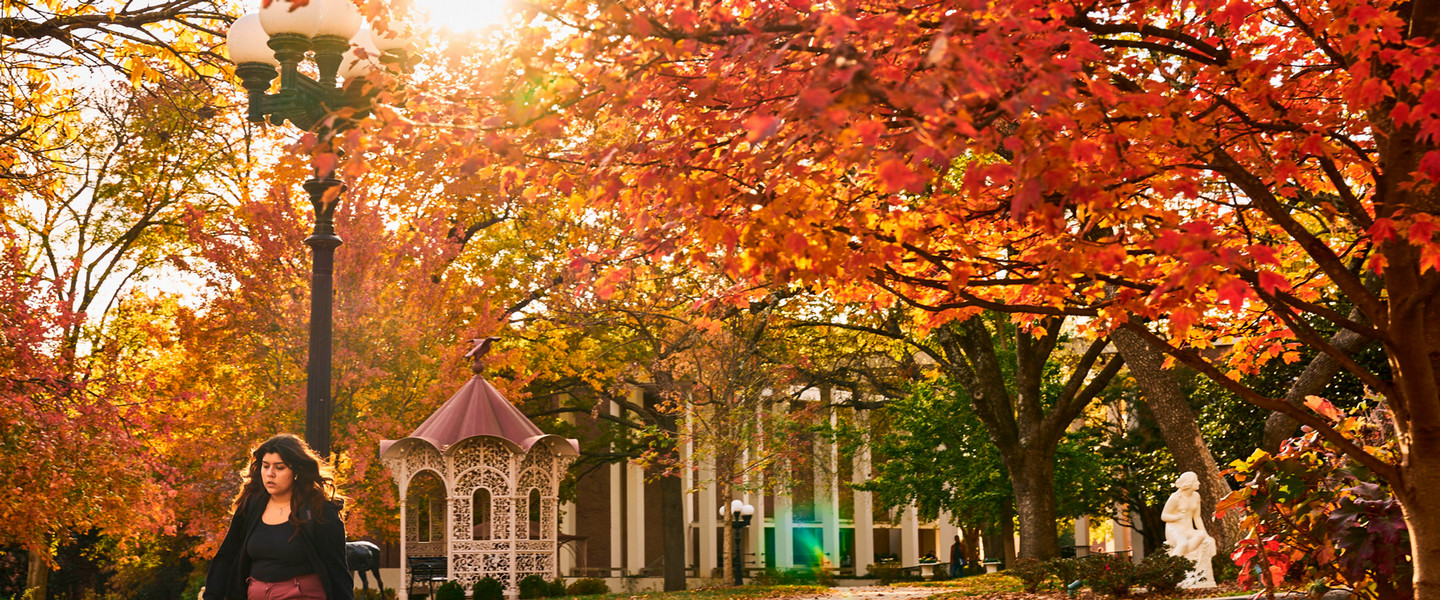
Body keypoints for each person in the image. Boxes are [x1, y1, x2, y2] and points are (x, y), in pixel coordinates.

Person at [204, 434, 353, 600]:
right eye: (265, 466)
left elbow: (337, 570)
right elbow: (227, 556)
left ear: (296, 471)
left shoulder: (319, 511)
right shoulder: (251, 505)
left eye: (279, 467)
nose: (270, 474)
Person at [1161, 471, 1217, 588]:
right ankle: (1170, 573)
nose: (1199, 483)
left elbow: (1197, 517)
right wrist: (1176, 517)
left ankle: (1189, 568)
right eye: (1196, 480)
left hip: (1188, 529)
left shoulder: (1196, 496)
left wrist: (1206, 535)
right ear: (1189, 483)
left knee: (1203, 537)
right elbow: (1164, 516)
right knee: (1182, 544)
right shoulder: (1175, 498)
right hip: (1174, 529)